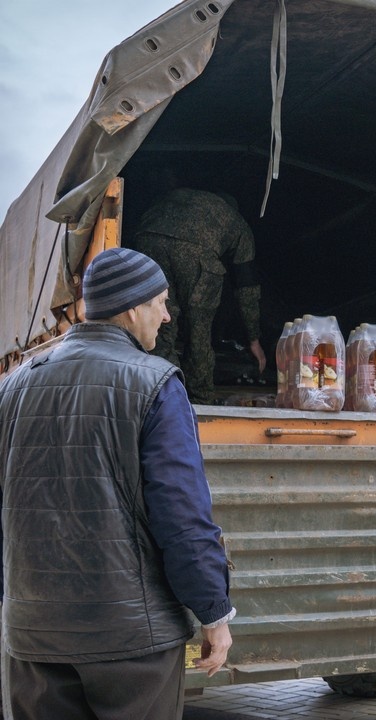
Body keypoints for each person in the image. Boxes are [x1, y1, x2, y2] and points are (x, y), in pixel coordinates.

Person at [0, 248, 234, 719]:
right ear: (132, 307)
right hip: (132, 643)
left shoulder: (12, 385)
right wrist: (214, 613)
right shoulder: (155, 383)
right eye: (161, 303)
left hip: (32, 638)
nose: (166, 317)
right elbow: (182, 517)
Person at [132, 188, 267, 404]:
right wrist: (254, 340)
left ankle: (160, 396)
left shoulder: (180, 197)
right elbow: (246, 287)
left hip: (148, 238)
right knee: (199, 332)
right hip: (196, 252)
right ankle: (200, 400)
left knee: (161, 326)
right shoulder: (237, 223)